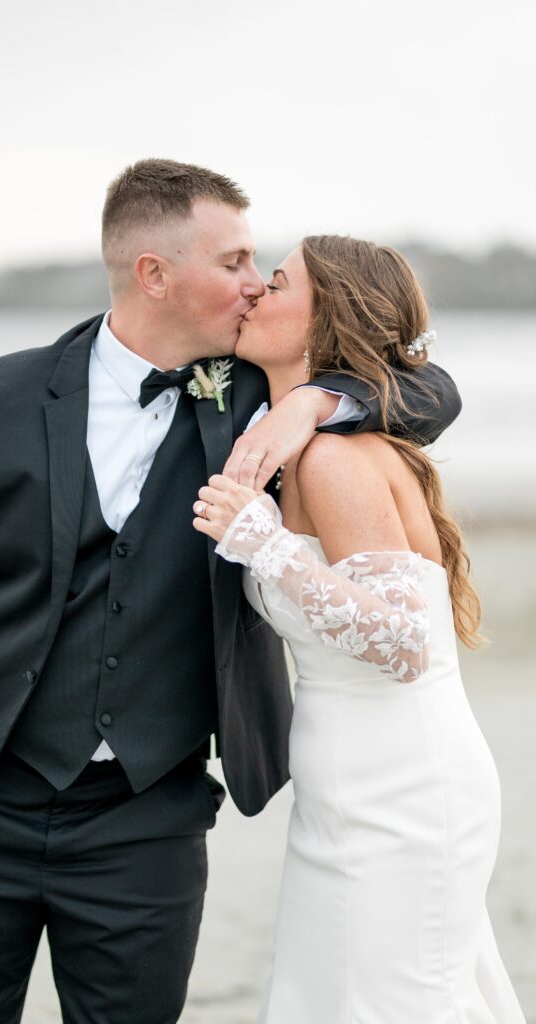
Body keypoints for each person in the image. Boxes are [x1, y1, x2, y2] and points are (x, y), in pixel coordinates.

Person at [0, 162, 460, 1024]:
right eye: (234, 262)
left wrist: (316, 405)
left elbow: (427, 389)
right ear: (154, 274)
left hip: (145, 817)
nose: (255, 286)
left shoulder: (256, 392)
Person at [195, 235, 525, 1022]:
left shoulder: (332, 461)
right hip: (346, 787)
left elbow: (406, 643)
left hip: (399, 787)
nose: (253, 294)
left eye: (275, 284)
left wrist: (261, 542)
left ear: (322, 320)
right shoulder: (296, 439)